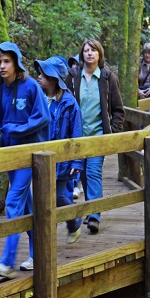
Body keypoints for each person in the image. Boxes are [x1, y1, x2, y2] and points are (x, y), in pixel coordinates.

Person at [0, 42, 50, 279]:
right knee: (27, 205)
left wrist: (18, 129)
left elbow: (43, 117)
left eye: (6, 61)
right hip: (8, 154)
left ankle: (7, 262)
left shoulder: (30, 86)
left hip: (29, 154)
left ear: (16, 62)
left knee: (13, 201)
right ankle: (38, 254)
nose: (2, 66)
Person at [65, 39, 124, 235]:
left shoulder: (107, 78)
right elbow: (65, 103)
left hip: (98, 134)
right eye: (86, 50)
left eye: (93, 51)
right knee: (82, 174)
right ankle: (91, 209)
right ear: (81, 54)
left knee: (93, 172)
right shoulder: (73, 77)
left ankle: (94, 216)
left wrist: (112, 132)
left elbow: (118, 109)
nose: (89, 53)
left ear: (100, 55)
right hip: (78, 135)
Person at [35, 56, 83, 244]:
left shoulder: (69, 103)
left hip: (62, 159)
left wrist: (77, 161)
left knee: (60, 195)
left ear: (54, 79)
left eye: (43, 74)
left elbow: (76, 133)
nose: (39, 77)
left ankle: (74, 223)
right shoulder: (39, 98)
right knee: (44, 197)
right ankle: (48, 236)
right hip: (42, 157)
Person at [67, 54, 84, 200]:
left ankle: (78, 184)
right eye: (71, 64)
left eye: (76, 64)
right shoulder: (67, 82)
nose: (74, 67)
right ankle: (74, 185)